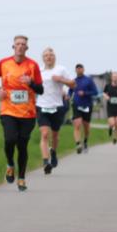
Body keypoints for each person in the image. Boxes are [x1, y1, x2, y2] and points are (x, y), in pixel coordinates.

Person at [0, 35, 44, 192]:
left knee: (22, 145)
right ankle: (10, 164)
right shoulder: (4, 63)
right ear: (13, 47)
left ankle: (21, 178)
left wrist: (31, 83)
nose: (20, 46)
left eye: (23, 44)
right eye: (17, 44)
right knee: (10, 139)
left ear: (26, 48)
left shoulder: (33, 65)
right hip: (8, 110)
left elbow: (41, 89)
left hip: (28, 113)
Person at [37, 47, 75, 175]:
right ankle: (45, 161)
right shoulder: (38, 71)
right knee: (44, 134)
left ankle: (53, 151)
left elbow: (73, 84)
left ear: (55, 57)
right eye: (46, 55)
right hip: (41, 105)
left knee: (55, 135)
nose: (49, 57)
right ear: (43, 58)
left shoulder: (61, 69)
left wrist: (61, 80)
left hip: (57, 106)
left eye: (51, 55)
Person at [70, 63, 99, 154]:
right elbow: (70, 91)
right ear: (75, 70)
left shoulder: (89, 80)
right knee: (77, 124)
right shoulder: (73, 81)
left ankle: (85, 141)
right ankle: (78, 144)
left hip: (87, 105)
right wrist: (68, 96)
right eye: (77, 68)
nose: (79, 70)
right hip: (76, 105)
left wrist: (85, 93)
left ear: (83, 69)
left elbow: (95, 92)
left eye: (80, 68)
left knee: (86, 126)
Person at [102, 72, 117, 145]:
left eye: (116, 77)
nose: (115, 78)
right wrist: (106, 96)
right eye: (114, 76)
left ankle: (115, 138)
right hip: (110, 108)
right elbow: (103, 93)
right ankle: (110, 127)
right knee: (112, 124)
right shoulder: (108, 86)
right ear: (111, 78)